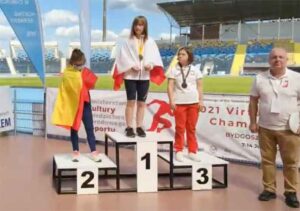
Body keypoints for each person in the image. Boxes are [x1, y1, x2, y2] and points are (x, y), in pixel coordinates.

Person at [249, 48, 300, 208]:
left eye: (281, 57)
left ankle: (291, 192)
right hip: (265, 128)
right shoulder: (259, 78)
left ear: (287, 59)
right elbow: (253, 101)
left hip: (289, 129)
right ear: (269, 60)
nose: (277, 60)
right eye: (274, 57)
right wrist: (252, 121)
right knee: (267, 161)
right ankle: (269, 189)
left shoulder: (297, 78)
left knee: (291, 163)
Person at [113, 15, 165, 138]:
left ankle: (139, 126)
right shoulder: (128, 41)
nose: (138, 27)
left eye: (141, 25)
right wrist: (130, 65)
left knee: (142, 103)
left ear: (145, 26)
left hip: (145, 77)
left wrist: (151, 65)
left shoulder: (150, 41)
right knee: (130, 101)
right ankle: (129, 127)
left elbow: (154, 57)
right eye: (136, 24)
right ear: (133, 26)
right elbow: (122, 57)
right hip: (130, 76)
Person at [52, 49, 101, 162]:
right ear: (72, 62)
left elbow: (92, 85)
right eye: (78, 64)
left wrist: (86, 83)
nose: (80, 66)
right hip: (74, 105)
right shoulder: (67, 73)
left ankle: (93, 151)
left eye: (82, 64)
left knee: (89, 128)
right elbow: (65, 90)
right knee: (74, 129)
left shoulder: (84, 71)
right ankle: (75, 151)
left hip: (85, 104)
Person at [167, 47, 204, 162]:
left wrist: (201, 101)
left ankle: (192, 151)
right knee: (180, 128)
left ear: (189, 56)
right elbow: (170, 86)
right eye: (179, 54)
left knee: (191, 128)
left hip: (194, 102)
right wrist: (171, 100)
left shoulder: (195, 70)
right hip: (179, 103)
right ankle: (179, 150)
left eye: (182, 54)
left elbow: (200, 86)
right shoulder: (174, 69)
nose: (179, 56)